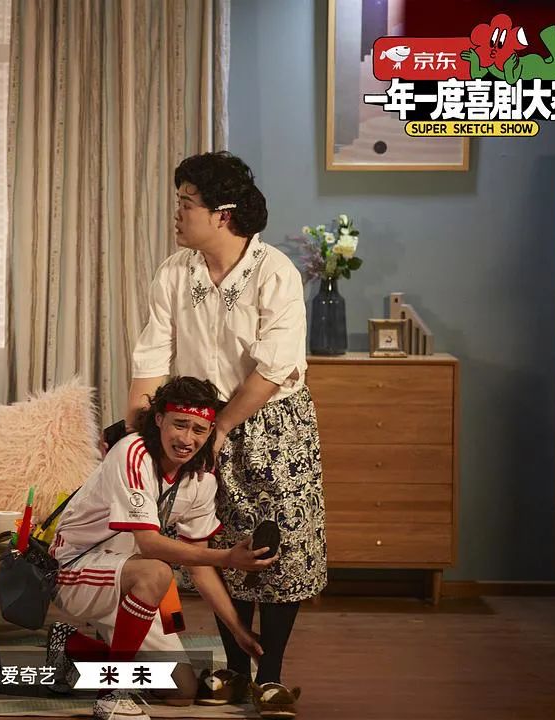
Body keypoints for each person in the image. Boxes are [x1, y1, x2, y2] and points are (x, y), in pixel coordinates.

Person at [127, 151, 327, 719]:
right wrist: (140, 433)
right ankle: (235, 670)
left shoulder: (274, 272)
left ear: (223, 213)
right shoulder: (175, 272)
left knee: (276, 545)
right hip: (197, 424)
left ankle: (271, 674)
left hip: (270, 423)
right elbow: (151, 356)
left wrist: (223, 425)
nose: (177, 213)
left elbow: (273, 368)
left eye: (186, 203)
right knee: (215, 541)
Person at [45, 376, 277, 720]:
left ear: (210, 431)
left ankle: (70, 646)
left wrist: (238, 631)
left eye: (199, 430)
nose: (187, 439)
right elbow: (150, 543)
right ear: (159, 420)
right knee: (157, 572)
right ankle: (111, 696)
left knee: (181, 690)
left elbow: (200, 567)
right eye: (179, 425)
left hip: (133, 578)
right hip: (76, 567)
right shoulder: (132, 452)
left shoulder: (201, 478)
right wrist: (228, 558)